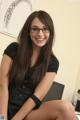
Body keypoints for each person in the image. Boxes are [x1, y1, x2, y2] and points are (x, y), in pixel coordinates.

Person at [0, 10, 76, 120]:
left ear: (50, 32)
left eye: (45, 29)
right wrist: (2, 117)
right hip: (3, 104)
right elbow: (2, 86)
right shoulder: (13, 49)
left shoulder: (53, 62)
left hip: (28, 113)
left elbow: (37, 96)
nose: (40, 34)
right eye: (35, 29)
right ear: (28, 31)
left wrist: (16, 119)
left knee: (67, 109)